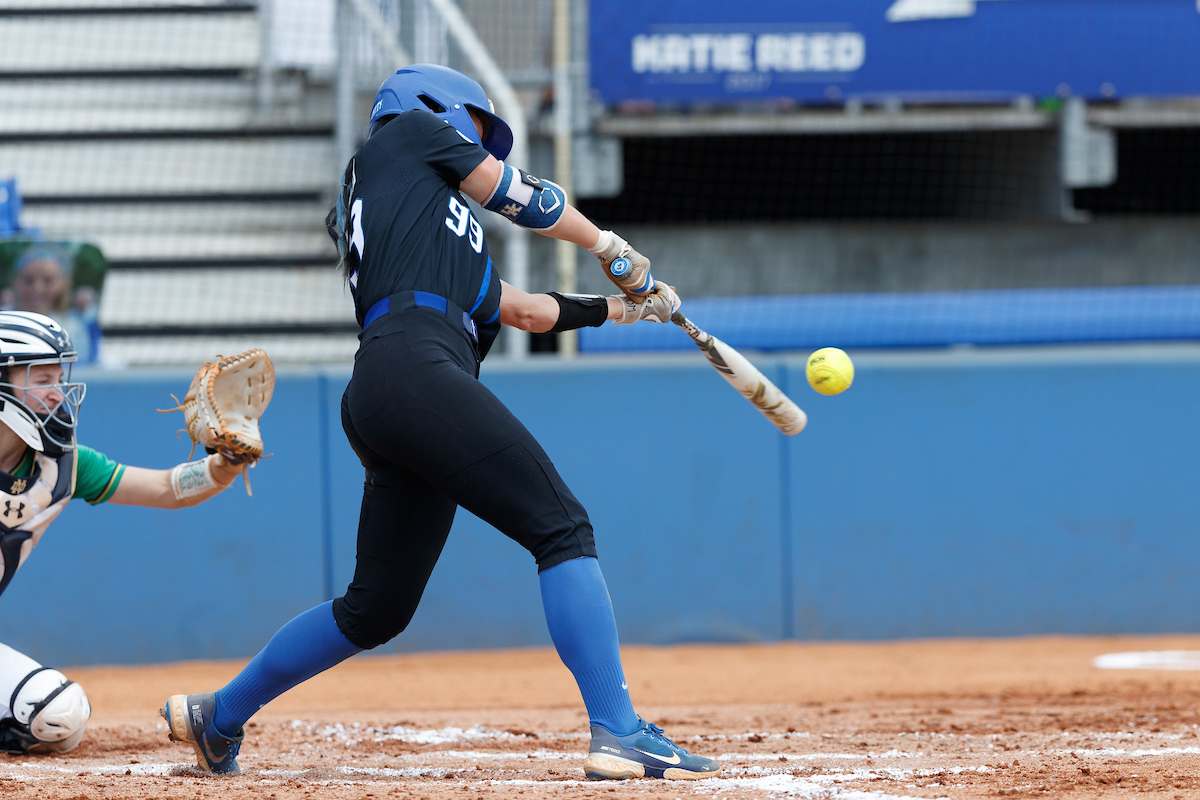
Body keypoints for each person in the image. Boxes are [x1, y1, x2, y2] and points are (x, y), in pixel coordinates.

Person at [161, 63, 719, 782]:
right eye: (479, 131)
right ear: (435, 109)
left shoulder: (429, 221)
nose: (484, 148)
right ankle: (617, 728)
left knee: (376, 609)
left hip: (389, 390)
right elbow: (522, 197)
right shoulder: (407, 136)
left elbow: (523, 311)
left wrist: (630, 309)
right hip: (417, 371)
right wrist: (607, 246)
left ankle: (220, 715)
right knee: (561, 527)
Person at [0, 311, 250, 755]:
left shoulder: (63, 466)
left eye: (60, 376)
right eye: (42, 378)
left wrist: (225, 464)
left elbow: (167, 488)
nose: (58, 393)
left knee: (59, 717)